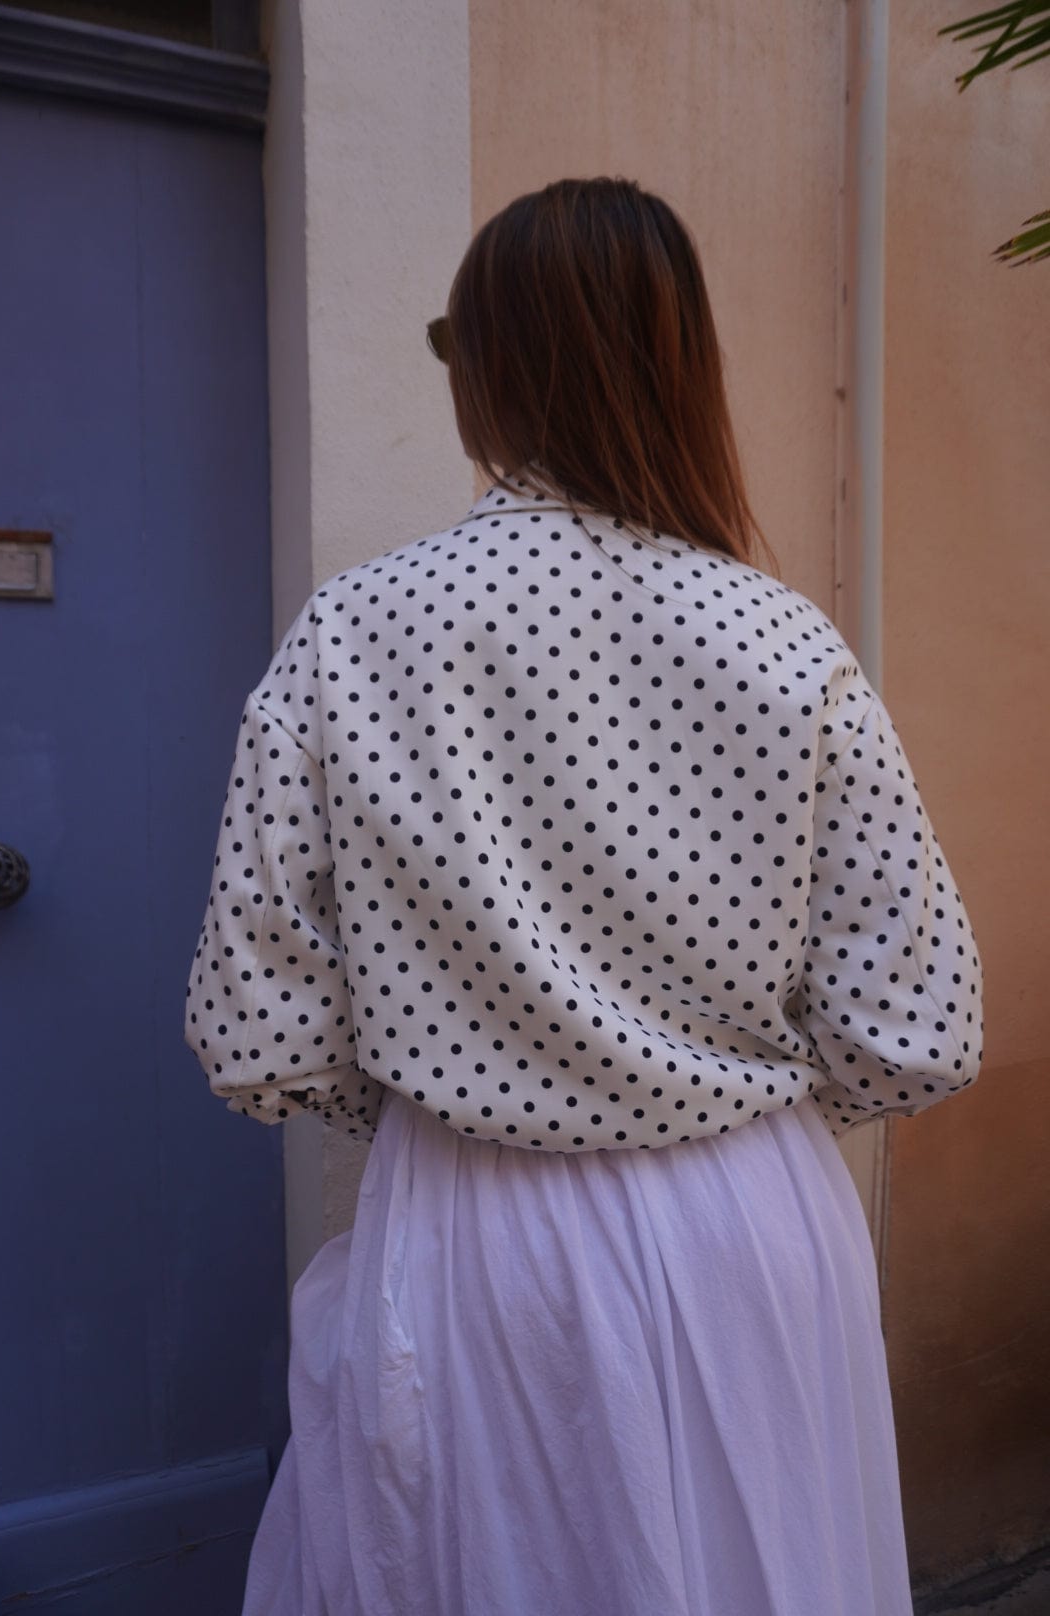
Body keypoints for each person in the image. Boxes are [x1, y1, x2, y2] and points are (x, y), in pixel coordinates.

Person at [182, 177, 983, 1616]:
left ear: (488, 367)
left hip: (474, 1236)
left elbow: (260, 1034)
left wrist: (453, 1085)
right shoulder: (788, 645)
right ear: (685, 369)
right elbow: (913, 1031)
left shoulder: (359, 632)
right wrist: (717, 1094)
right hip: (751, 1231)